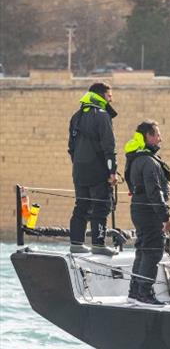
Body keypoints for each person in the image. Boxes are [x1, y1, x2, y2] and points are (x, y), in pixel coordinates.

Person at [123, 120, 170, 304]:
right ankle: (144, 293)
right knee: (152, 251)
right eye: (157, 135)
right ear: (149, 137)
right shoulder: (149, 162)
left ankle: (134, 291)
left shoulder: (135, 159)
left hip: (138, 209)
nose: (160, 139)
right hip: (149, 212)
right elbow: (154, 192)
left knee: (142, 250)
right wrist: (165, 217)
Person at [67, 82, 118, 255]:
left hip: (79, 171)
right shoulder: (103, 116)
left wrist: (78, 165)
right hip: (98, 171)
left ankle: (76, 244)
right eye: (109, 95)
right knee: (101, 206)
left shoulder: (76, 116)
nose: (111, 99)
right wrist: (112, 172)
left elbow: (71, 148)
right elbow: (109, 147)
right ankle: (99, 245)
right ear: (101, 95)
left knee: (81, 206)